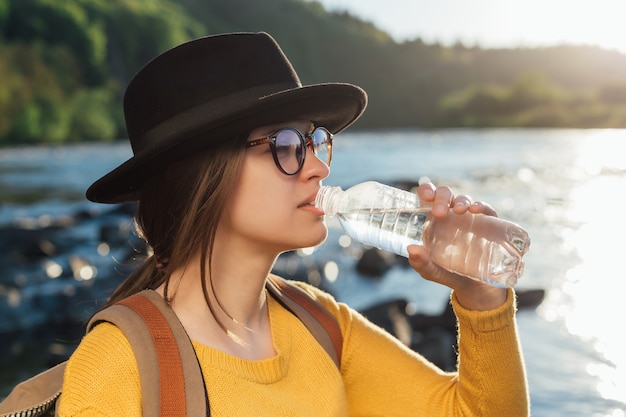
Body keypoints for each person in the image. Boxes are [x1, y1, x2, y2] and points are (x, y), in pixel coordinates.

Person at [59, 32, 529, 416]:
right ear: (201, 175)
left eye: (314, 139)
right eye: (285, 144)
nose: (318, 168)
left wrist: (479, 299)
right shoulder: (119, 368)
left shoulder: (320, 324)